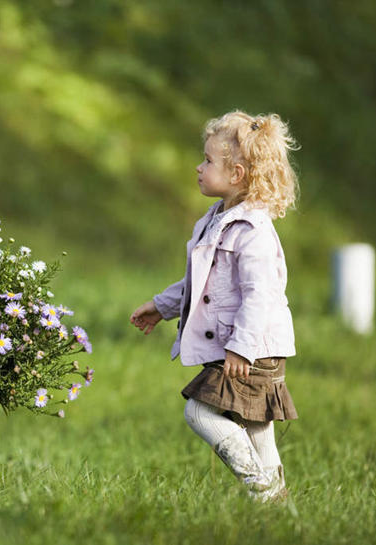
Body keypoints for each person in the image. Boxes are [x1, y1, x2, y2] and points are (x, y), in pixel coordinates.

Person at [130, 111, 299, 501]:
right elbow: (201, 281)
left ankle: (258, 485)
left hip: (250, 348)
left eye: (208, 161)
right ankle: (276, 504)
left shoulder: (252, 231)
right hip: (249, 346)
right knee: (256, 427)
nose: (199, 167)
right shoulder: (218, 219)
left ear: (236, 174)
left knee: (199, 412)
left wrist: (241, 346)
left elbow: (260, 295)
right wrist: (162, 306)